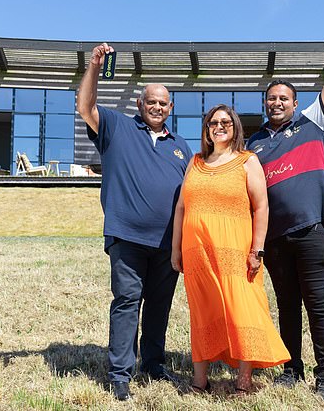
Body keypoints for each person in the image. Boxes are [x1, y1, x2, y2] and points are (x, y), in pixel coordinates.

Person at [246, 12, 324, 400]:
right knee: (288, 307)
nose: (277, 102)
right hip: (276, 240)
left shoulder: (314, 122)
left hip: (315, 231)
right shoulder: (254, 144)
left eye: (284, 98)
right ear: (265, 104)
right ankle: (292, 369)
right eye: (271, 98)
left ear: (295, 103)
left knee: (318, 307)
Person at [77, 43, 192, 401]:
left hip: (167, 243)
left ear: (170, 108)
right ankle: (120, 374)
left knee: (159, 305)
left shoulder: (182, 147)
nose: (157, 107)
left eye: (163, 103)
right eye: (151, 101)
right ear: (140, 105)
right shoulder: (116, 127)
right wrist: (95, 66)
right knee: (128, 300)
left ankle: (153, 363)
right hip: (127, 236)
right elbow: (86, 106)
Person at [171, 105, 290, 394]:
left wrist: (257, 250)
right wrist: (176, 250)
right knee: (202, 312)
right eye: (213, 122)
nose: (219, 126)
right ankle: (200, 382)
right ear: (207, 129)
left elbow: (261, 206)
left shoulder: (247, 161)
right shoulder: (195, 161)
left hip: (236, 251)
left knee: (242, 310)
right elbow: (181, 207)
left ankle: (243, 381)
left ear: (236, 127)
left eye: (226, 122)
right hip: (197, 252)